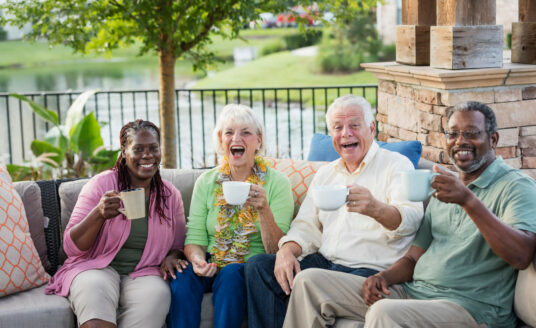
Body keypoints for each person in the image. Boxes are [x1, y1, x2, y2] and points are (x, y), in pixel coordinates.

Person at [283, 101, 536, 328]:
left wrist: (469, 201)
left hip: (472, 307)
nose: (460, 141)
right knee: (309, 282)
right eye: (453, 134)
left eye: (471, 133)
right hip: (415, 292)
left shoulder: (515, 186)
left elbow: (522, 255)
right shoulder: (445, 186)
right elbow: (414, 258)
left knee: (384, 312)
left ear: (493, 139)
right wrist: (381, 277)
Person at [245, 94, 424, 328]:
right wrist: (287, 251)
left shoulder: (396, 165)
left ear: (372, 128)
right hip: (325, 262)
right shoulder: (326, 174)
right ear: (331, 136)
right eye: (338, 127)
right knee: (258, 267)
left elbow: (411, 220)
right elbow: (306, 226)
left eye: (354, 125)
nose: (346, 133)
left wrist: (375, 209)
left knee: (308, 280)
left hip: (368, 270)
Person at [45, 120, 187, 328]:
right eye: (138, 149)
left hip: (145, 271)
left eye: (153, 149)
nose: (147, 155)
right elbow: (71, 247)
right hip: (95, 266)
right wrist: (98, 214)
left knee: (157, 295)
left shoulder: (169, 195)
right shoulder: (101, 184)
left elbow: (179, 244)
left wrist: (173, 257)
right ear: (124, 151)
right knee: (93, 289)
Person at [167, 104, 294, 328]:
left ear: (259, 140)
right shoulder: (207, 182)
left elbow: (276, 250)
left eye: (246, 132)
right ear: (220, 140)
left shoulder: (277, 183)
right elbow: (195, 236)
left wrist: (263, 210)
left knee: (232, 274)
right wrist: (197, 260)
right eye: (229, 132)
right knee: (183, 278)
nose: (237, 138)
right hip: (212, 258)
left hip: (247, 265)